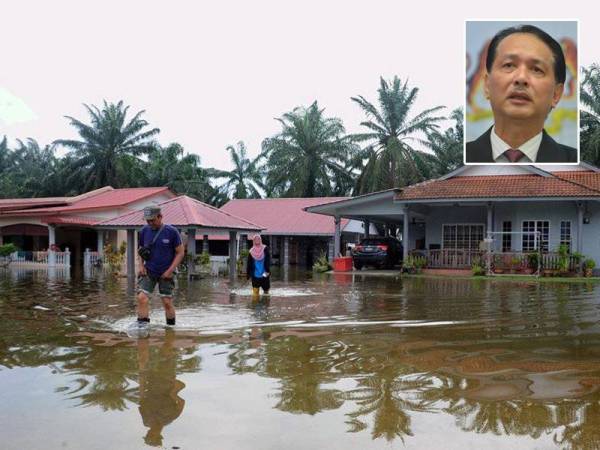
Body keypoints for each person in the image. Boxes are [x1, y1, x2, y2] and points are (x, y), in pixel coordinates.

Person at [466, 24, 577, 163]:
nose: (521, 78)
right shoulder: (456, 161)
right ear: (487, 85)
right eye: (509, 65)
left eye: (536, 69)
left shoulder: (576, 164)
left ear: (556, 94)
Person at [137, 206, 184, 326]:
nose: (150, 223)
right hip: (149, 270)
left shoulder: (172, 232)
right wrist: (141, 265)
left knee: (167, 302)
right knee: (142, 298)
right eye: (148, 221)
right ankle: (143, 327)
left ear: (160, 217)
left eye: (152, 220)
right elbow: (141, 250)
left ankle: (170, 329)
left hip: (166, 272)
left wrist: (170, 270)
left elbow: (180, 252)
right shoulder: (143, 231)